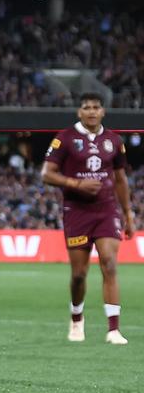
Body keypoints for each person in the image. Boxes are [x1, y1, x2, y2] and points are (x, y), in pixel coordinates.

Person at [42, 92, 136, 345]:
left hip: (106, 210)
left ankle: (113, 329)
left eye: (96, 107)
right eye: (87, 107)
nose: (92, 111)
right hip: (77, 211)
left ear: (103, 111)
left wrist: (128, 213)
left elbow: (120, 179)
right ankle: (76, 317)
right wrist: (76, 183)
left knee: (110, 263)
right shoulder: (65, 139)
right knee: (79, 274)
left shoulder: (114, 141)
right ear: (79, 112)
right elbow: (47, 174)